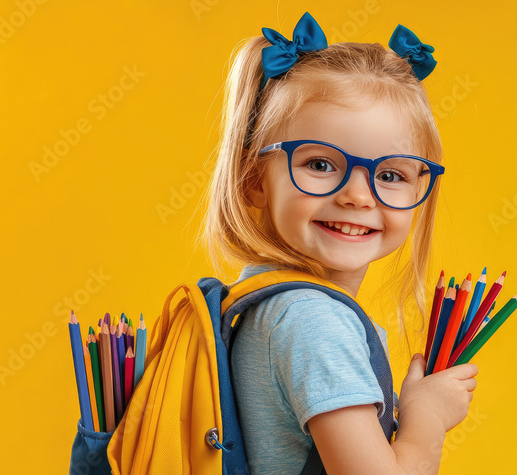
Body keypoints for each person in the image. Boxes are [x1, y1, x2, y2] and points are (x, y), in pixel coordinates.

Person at [200, 12, 478, 474]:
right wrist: (426, 417)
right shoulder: (314, 322)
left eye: (390, 174)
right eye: (321, 164)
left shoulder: (259, 303)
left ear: (418, 187)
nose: (356, 196)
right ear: (255, 180)